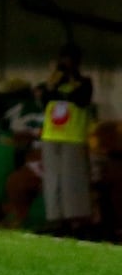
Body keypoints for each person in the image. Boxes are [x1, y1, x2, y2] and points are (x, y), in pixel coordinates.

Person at [39, 44, 94, 238]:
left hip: (72, 137)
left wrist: (66, 86)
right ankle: (55, 218)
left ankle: (77, 219)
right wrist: (54, 83)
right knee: (53, 180)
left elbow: (81, 98)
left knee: (73, 180)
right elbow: (45, 97)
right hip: (51, 136)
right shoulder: (54, 82)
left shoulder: (84, 82)